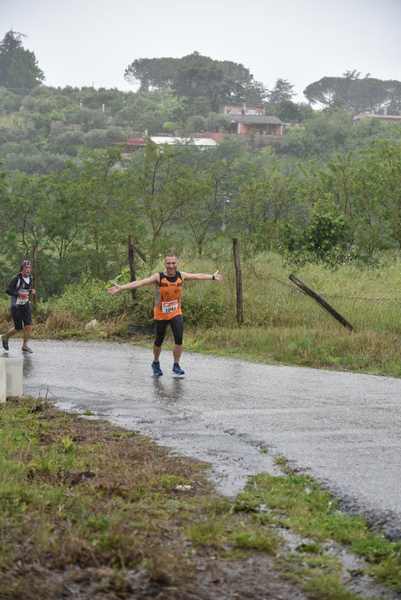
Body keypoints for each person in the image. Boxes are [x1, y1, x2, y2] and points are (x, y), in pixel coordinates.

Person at [107, 254, 223, 377]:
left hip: (175, 312)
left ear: (176, 264)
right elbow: (140, 283)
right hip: (161, 314)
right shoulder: (159, 277)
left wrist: (212, 277)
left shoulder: (181, 275)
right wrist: (121, 288)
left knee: (179, 338)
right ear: (165, 264)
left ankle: (176, 365)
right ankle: (156, 363)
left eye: (173, 263)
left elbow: (197, 276)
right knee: (159, 340)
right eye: (169, 263)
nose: (171, 266)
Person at [1, 260, 36, 353]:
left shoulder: (31, 278)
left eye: (29, 268)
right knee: (19, 327)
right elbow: (8, 290)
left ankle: (24, 346)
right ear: (22, 269)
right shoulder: (16, 278)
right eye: (26, 268)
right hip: (16, 305)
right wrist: (18, 294)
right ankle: (5, 337)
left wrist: (31, 291)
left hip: (25, 304)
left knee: (28, 325)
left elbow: (26, 290)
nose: (28, 270)